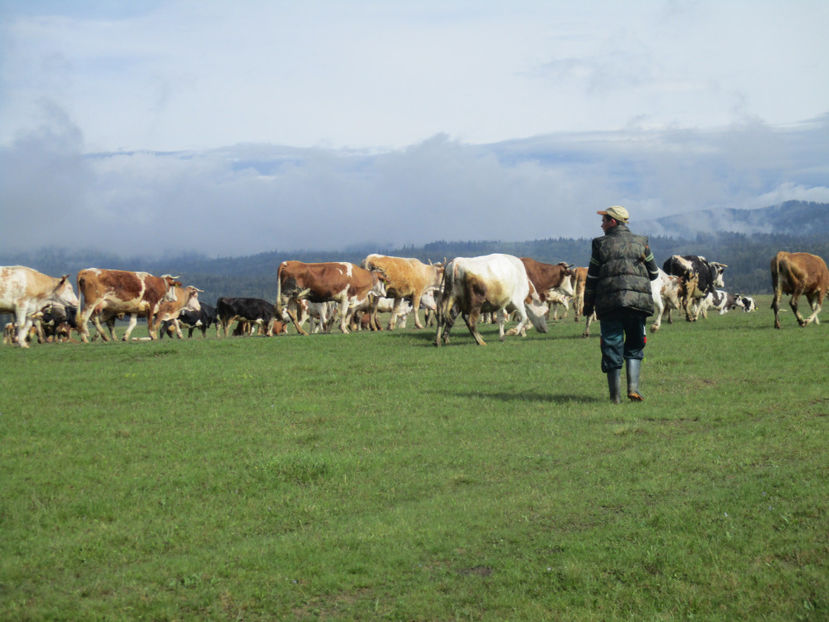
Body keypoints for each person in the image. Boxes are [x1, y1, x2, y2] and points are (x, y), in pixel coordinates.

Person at [582, 206, 659, 403]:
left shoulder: (600, 244)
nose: (601, 225)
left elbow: (592, 277)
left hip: (610, 305)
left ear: (613, 222)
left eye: (604, 221)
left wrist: (588, 304)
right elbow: (654, 273)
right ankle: (633, 389)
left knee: (611, 345)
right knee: (635, 344)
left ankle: (615, 398)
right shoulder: (642, 242)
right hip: (637, 304)